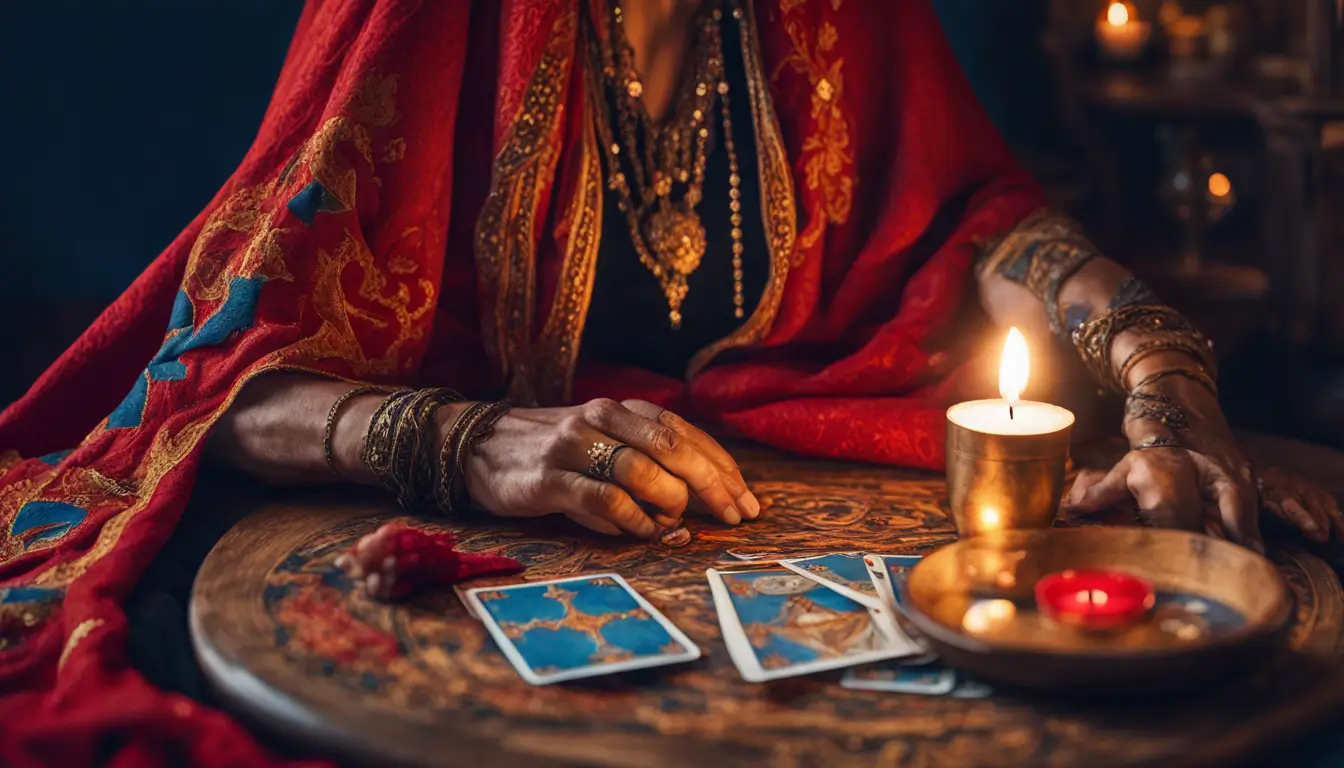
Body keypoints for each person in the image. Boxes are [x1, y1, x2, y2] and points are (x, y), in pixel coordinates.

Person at [0, 1, 1337, 766]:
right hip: (474, 557)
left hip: (759, 535)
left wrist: (1163, 379)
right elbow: (210, 377)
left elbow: (977, 226)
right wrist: (467, 445)